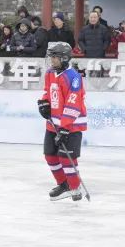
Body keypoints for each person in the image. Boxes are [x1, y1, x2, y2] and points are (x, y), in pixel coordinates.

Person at [36, 42, 87, 202]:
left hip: (71, 126)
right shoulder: (50, 73)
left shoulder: (74, 77)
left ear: (64, 58)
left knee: (66, 158)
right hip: (53, 124)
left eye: (55, 57)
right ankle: (64, 184)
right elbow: (47, 92)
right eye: (51, 57)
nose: (52, 60)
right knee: (50, 156)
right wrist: (44, 103)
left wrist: (65, 128)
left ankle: (75, 187)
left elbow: (74, 103)